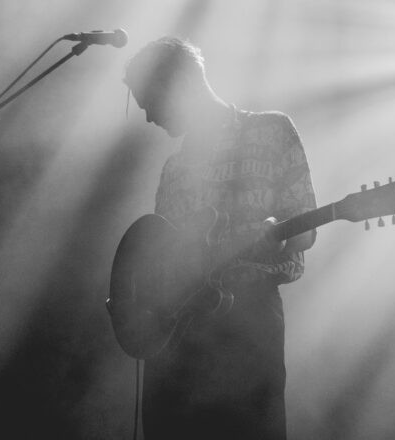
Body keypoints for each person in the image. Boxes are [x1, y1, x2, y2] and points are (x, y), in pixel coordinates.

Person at [123, 37, 317, 440]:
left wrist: (277, 235)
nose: (149, 119)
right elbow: (161, 258)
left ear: (179, 84)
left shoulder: (272, 129)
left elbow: (306, 229)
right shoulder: (173, 168)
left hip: (247, 330)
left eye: (150, 103)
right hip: (176, 344)